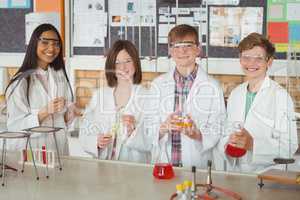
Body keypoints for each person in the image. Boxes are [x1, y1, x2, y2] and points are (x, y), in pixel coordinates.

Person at [218, 32, 298, 173]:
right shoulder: (236, 94)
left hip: (266, 175)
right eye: (246, 57)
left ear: (269, 62)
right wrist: (229, 141)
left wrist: (253, 145)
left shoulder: (280, 96)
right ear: (240, 59)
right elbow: (226, 133)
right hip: (236, 172)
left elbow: (289, 147)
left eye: (258, 58)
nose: (251, 63)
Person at [149, 24, 226, 168]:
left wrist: (197, 134)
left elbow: (219, 126)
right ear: (170, 51)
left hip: (197, 164)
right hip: (164, 163)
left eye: (188, 45)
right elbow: (148, 126)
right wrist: (163, 127)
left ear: (198, 49)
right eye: (176, 46)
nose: (182, 51)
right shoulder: (158, 84)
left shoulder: (213, 86)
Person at [5, 23, 80, 154]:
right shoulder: (20, 82)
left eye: (56, 44)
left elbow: (63, 120)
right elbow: (14, 128)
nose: (51, 48)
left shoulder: (59, 76)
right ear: (34, 44)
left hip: (59, 150)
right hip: (32, 152)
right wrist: (44, 112)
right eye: (45, 42)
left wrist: (70, 114)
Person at [79, 40, 150, 163]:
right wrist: (96, 141)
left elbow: (154, 140)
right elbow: (85, 129)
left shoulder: (147, 97)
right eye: (117, 63)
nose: (122, 67)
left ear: (136, 63)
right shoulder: (100, 95)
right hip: (104, 168)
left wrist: (133, 132)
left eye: (128, 61)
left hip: (135, 169)